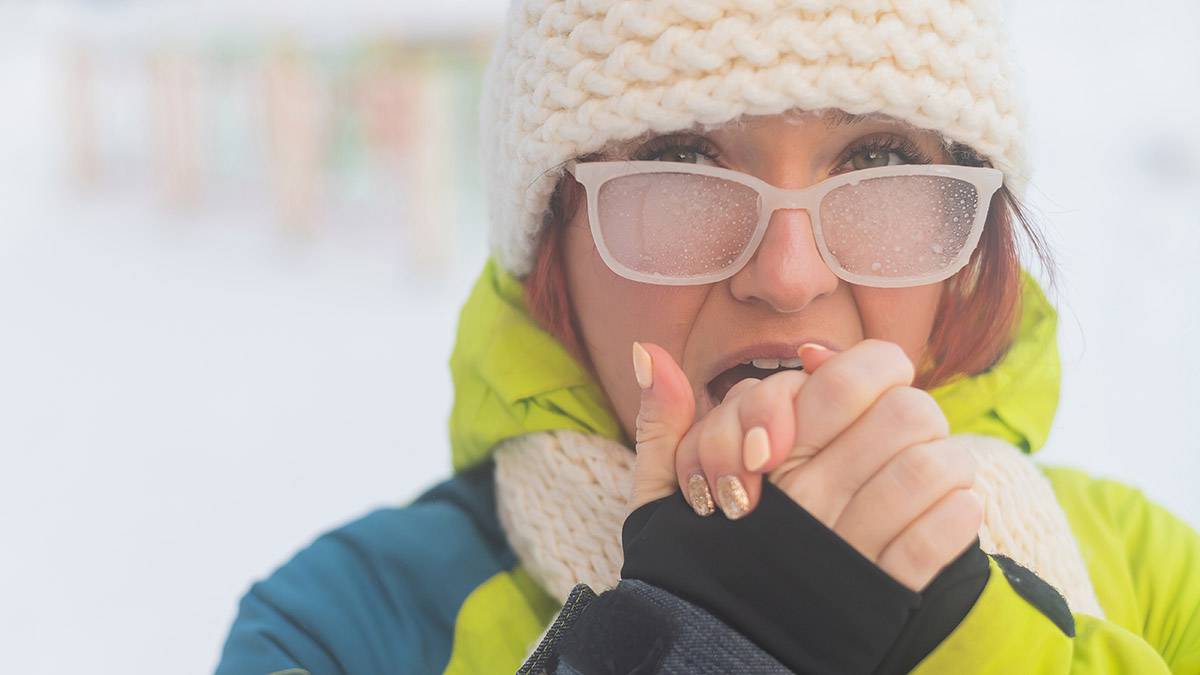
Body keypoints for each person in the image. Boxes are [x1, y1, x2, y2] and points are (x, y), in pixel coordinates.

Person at [214, 1, 1200, 673]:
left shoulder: (1148, 575)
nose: (788, 274)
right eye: (681, 158)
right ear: (550, 235)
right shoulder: (348, 629)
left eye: (882, 158)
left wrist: (965, 642)